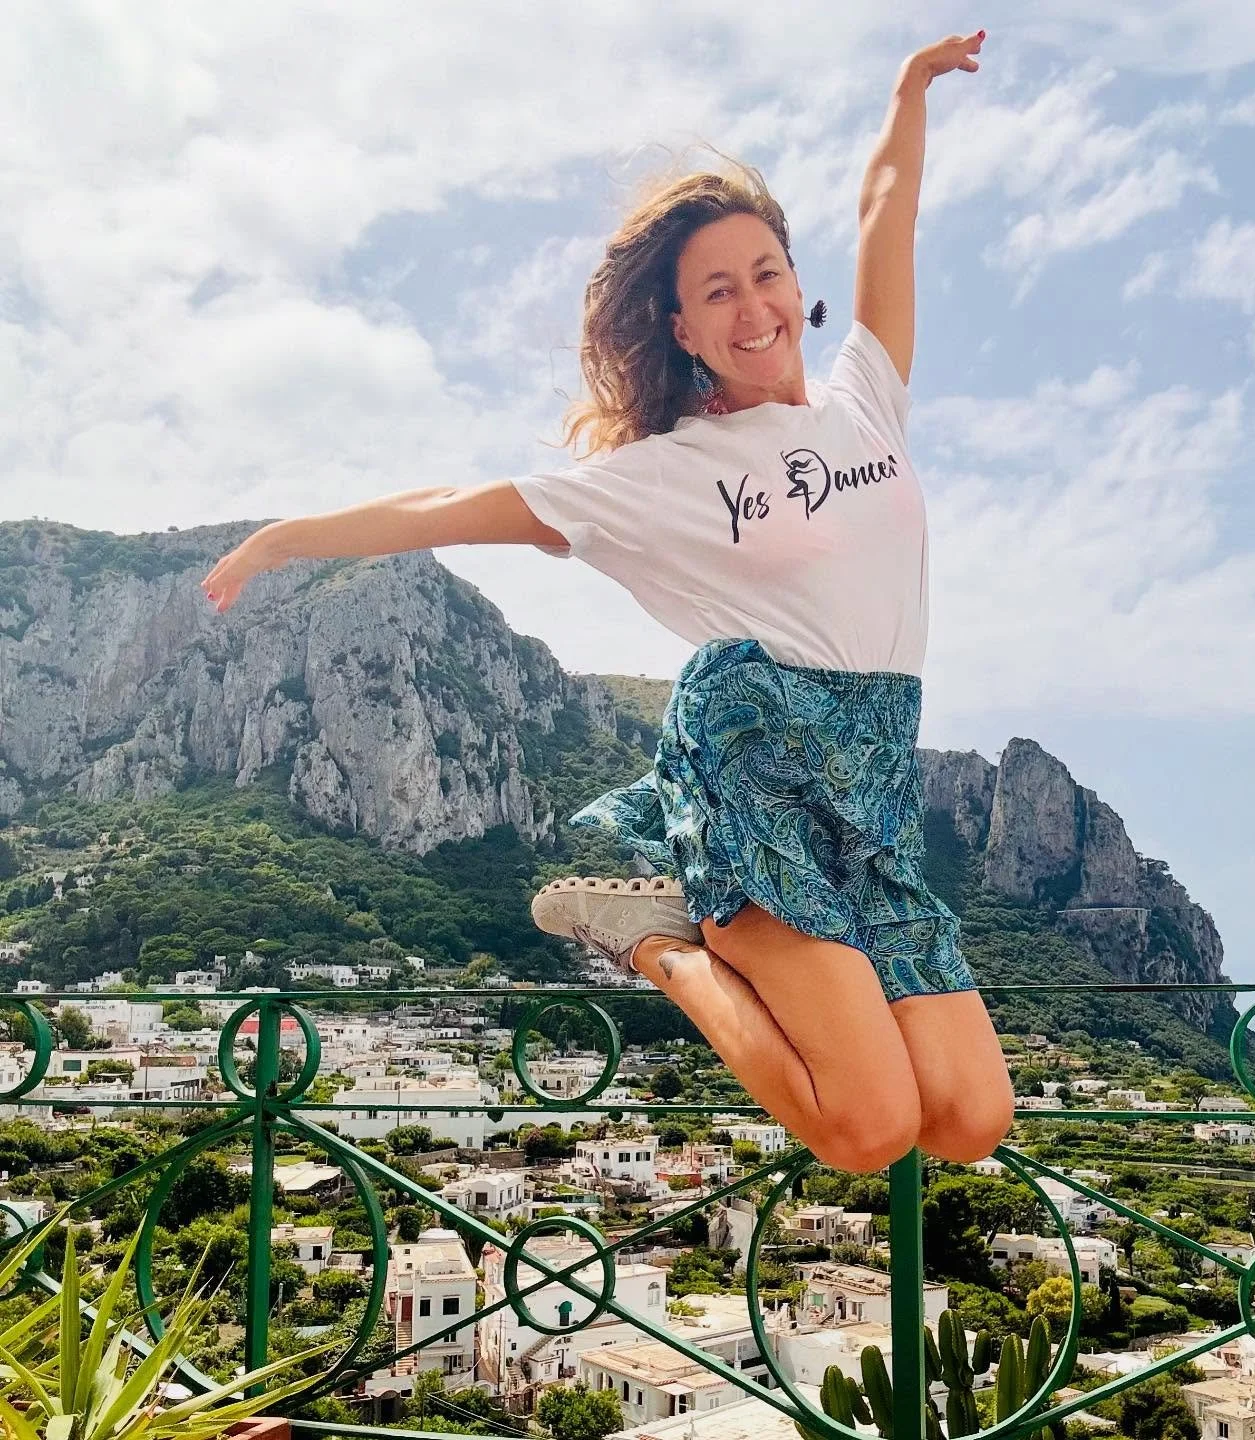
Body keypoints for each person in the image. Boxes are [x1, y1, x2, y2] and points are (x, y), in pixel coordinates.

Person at [203, 30, 1014, 1175]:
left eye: (766, 274)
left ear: (798, 284)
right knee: (868, 1129)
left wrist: (909, 87)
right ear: (681, 329)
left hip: (874, 771)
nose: (752, 307)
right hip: (761, 756)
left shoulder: (867, 399)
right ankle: (661, 948)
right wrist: (290, 539)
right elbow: (454, 506)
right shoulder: (660, 475)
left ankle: (694, 931)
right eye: (717, 292)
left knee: (972, 1119)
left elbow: (888, 204)